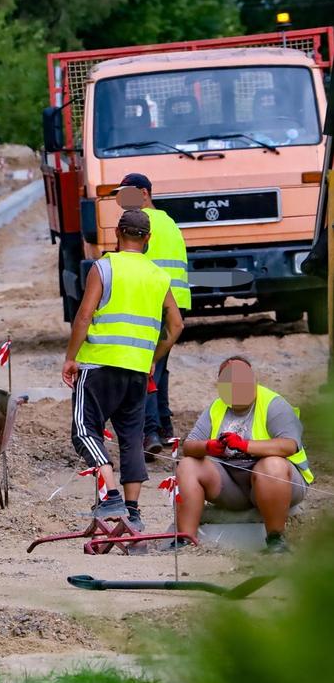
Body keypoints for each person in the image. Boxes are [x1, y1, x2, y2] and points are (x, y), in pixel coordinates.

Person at [62, 209, 184, 529]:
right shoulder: (158, 276)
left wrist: (70, 357)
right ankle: (133, 511)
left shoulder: (104, 267)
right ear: (148, 239)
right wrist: (153, 357)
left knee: (85, 431)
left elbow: (84, 315)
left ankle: (111, 496)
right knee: (132, 437)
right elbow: (176, 325)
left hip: (99, 364)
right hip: (137, 371)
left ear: (117, 233)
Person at [175, 356, 312, 554]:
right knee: (188, 465)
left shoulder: (274, 404)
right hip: (233, 487)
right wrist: (208, 447)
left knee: (271, 465)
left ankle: (276, 540)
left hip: (282, 483)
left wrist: (244, 445)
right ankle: (185, 541)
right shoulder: (216, 407)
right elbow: (189, 446)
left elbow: (289, 445)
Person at [113, 173, 191, 460]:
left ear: (144, 193)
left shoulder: (139, 225)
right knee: (159, 368)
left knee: (142, 370)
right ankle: (164, 427)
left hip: (150, 304)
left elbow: (132, 266)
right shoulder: (170, 223)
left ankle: (150, 433)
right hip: (175, 305)